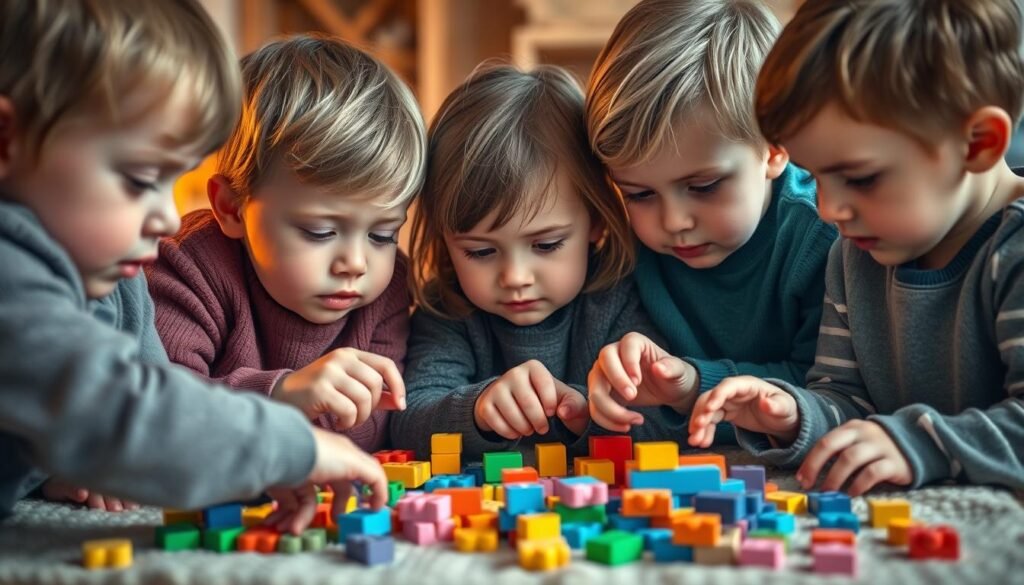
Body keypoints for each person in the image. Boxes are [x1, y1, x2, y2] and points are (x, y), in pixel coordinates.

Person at [0, 0, 387, 533]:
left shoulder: (120, 276)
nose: (165, 216)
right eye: (140, 179)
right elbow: (119, 409)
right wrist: (283, 445)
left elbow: (161, 408)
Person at [688, 0, 1024, 494]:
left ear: (976, 144)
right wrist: (790, 412)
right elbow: (849, 401)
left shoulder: (1011, 250)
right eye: (816, 176)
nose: (828, 209)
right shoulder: (857, 253)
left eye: (860, 178)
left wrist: (919, 443)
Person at [147, 34, 425, 454]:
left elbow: (380, 426)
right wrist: (280, 396)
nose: (355, 263)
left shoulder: (386, 287)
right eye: (319, 231)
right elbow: (157, 412)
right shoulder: (188, 264)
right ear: (232, 208)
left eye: (382, 235)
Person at [584, 0, 836, 440]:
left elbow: (830, 394)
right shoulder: (626, 245)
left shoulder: (822, 235)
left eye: (703, 187)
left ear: (775, 148)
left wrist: (693, 384)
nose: (674, 221)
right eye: (639, 194)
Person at [391, 64, 671, 460]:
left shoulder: (623, 295)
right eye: (481, 252)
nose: (515, 277)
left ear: (595, 220)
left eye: (546, 245)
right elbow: (408, 420)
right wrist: (478, 408)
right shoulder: (450, 309)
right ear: (445, 240)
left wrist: (586, 413)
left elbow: (667, 422)